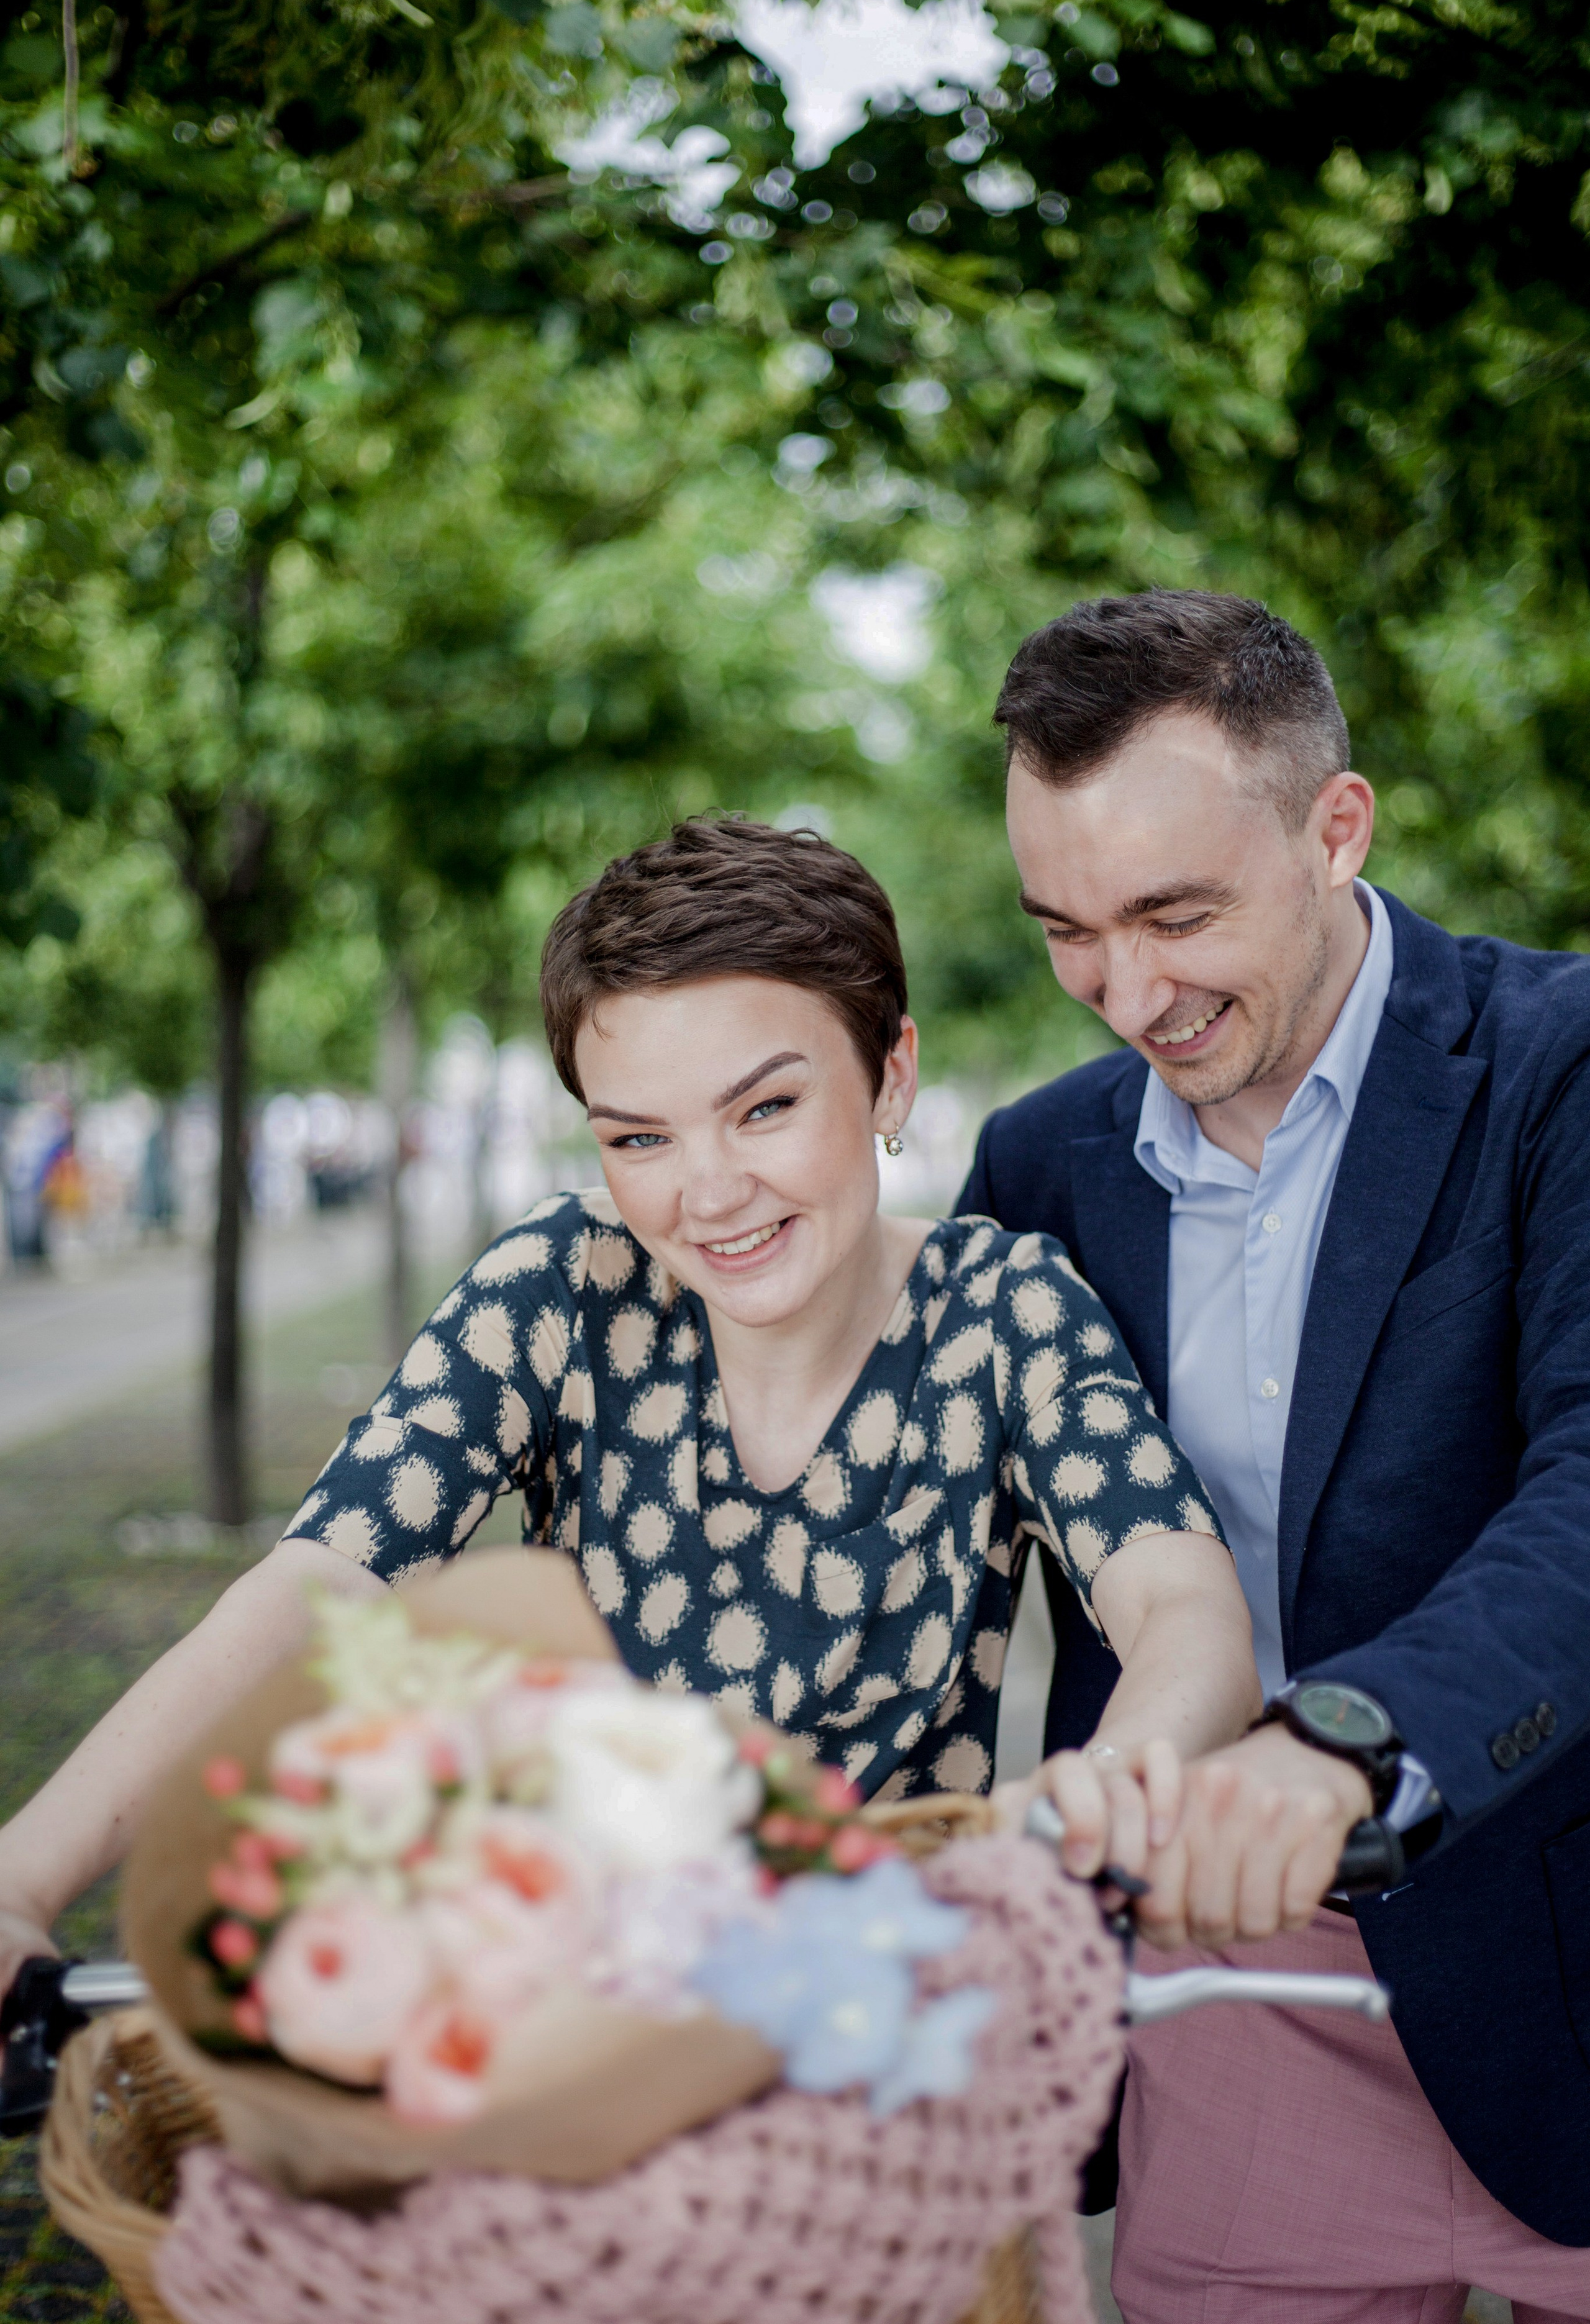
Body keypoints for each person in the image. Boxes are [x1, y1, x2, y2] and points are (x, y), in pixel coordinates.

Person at [0, 816, 1261, 2004]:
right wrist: (21, 1880)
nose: (707, 1194)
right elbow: (312, 1588)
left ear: (889, 1078)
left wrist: (1086, 1815)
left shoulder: (999, 1312)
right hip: (575, 2040)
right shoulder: (566, 1285)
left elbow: (1176, 1599)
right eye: (637, 1138)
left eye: (764, 1108)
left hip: (892, 2057)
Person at [960, 589, 1590, 2320]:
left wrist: (1348, 1748)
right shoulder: (1041, 1166)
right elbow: (946, 1566)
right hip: (1231, 1996)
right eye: (1068, 931)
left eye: (1175, 914)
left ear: (1337, 828)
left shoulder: (1563, 1066)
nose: (1128, 992)